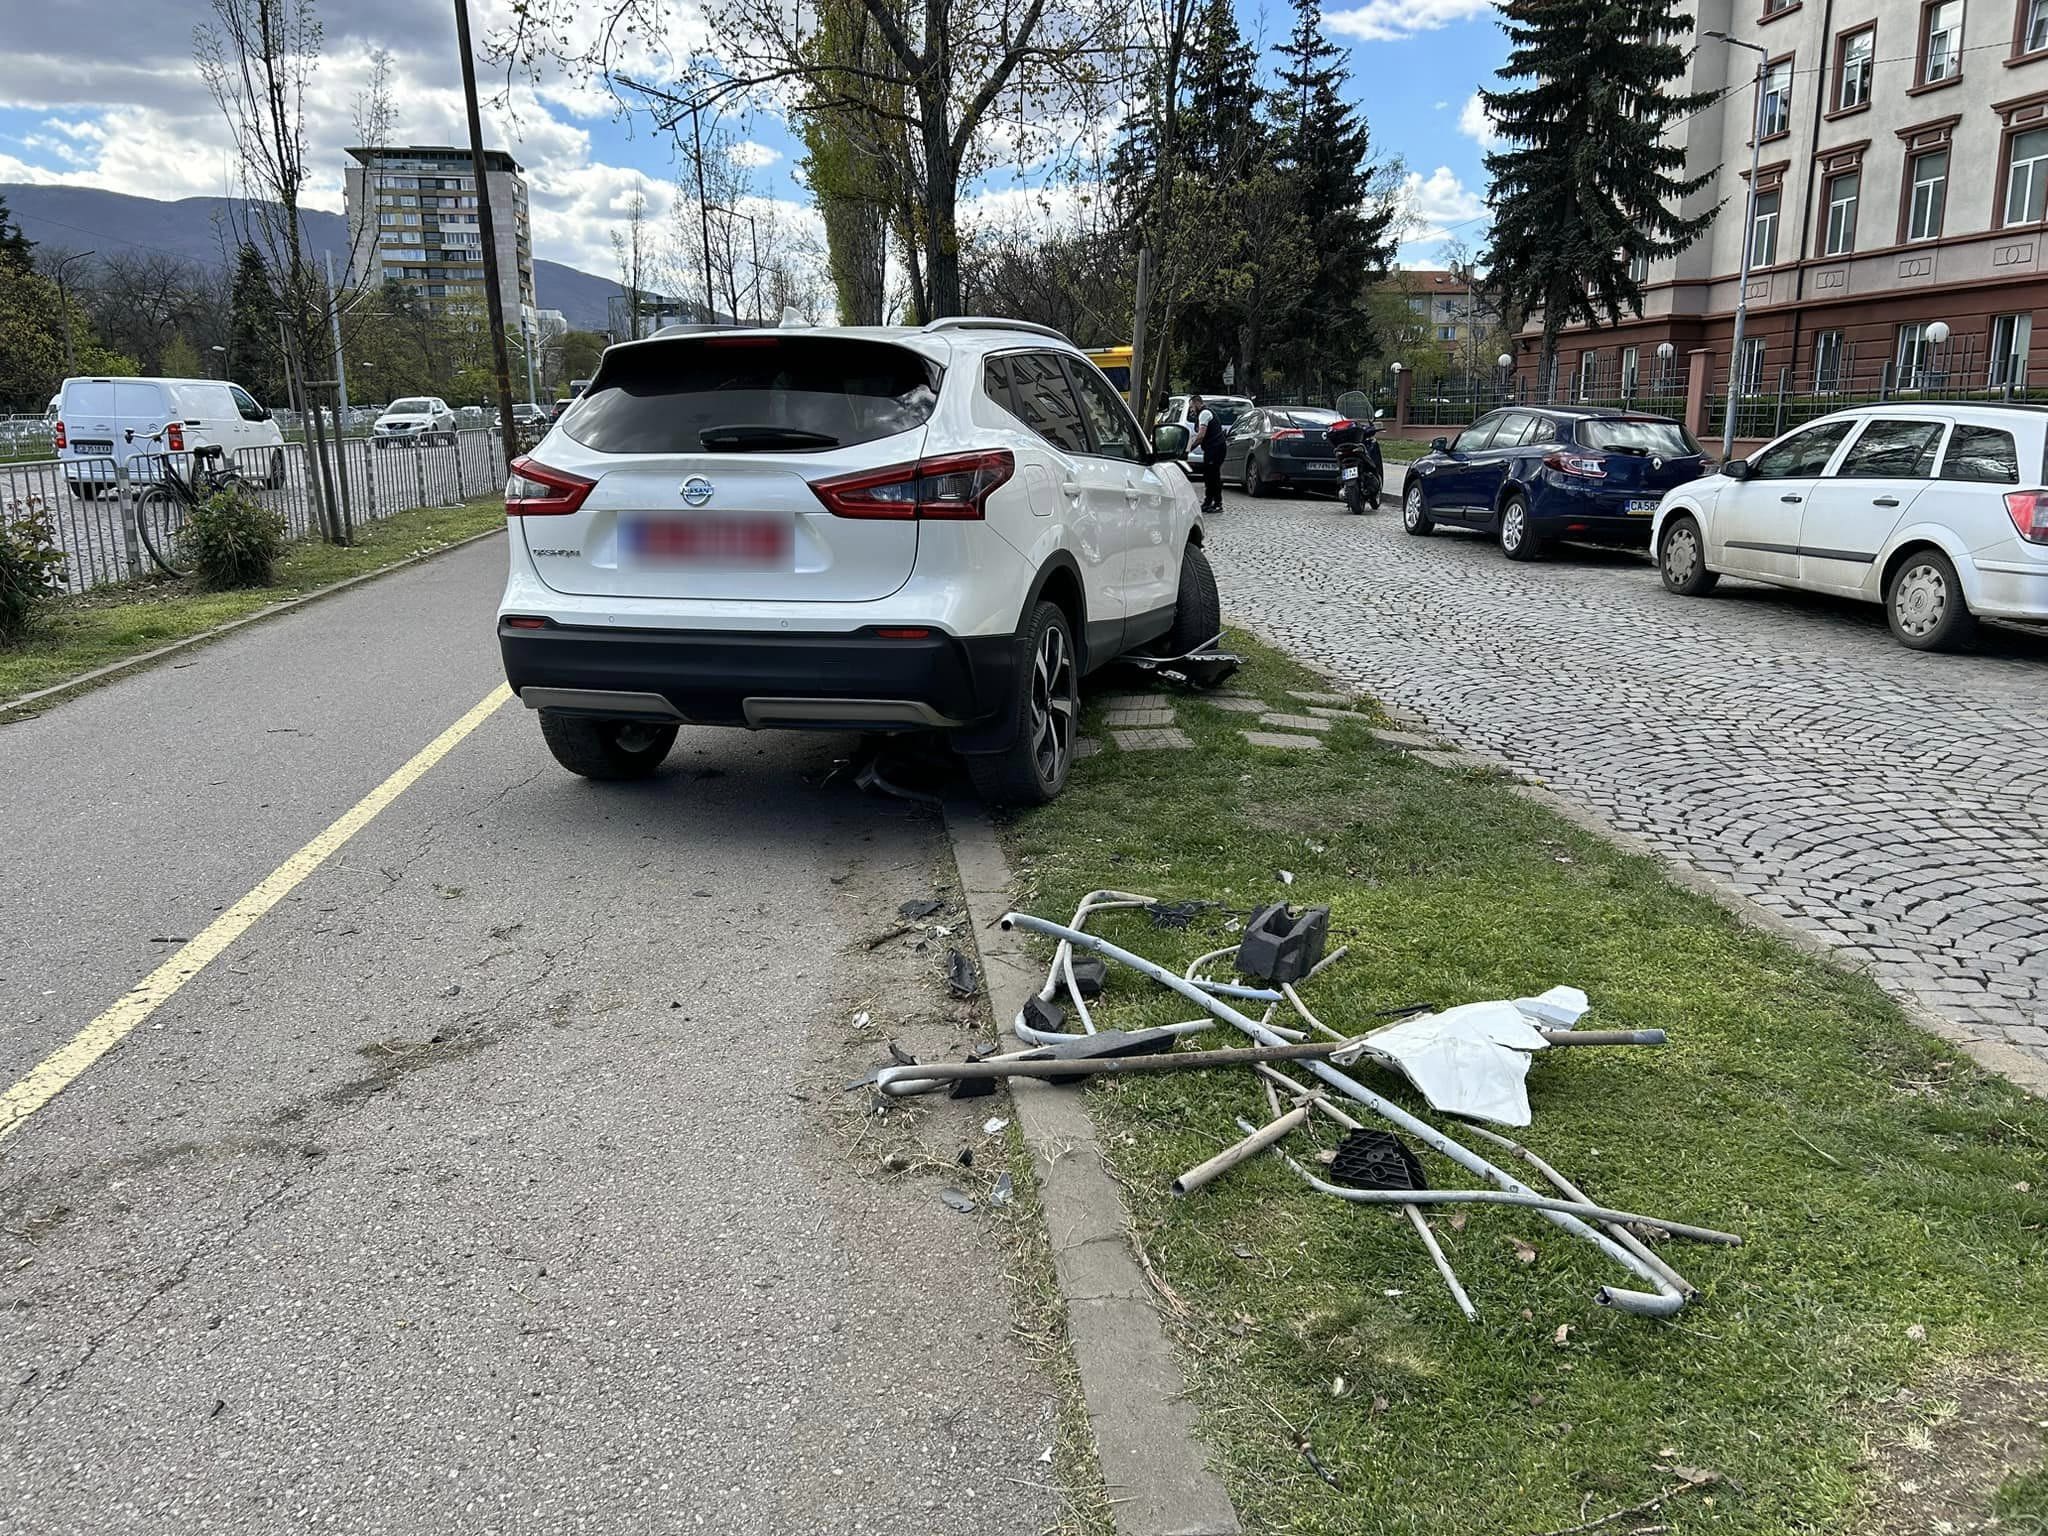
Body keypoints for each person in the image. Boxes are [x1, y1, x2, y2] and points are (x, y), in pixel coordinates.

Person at [1189, 394, 1225, 515]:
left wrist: (1189, 448)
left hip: (1215, 449)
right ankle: (1208, 502)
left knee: (1213, 476)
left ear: (1197, 403)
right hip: (1213, 448)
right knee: (1209, 475)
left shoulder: (1204, 414)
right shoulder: (1204, 413)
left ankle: (1217, 503)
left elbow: (1201, 436)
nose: (1191, 410)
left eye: (1192, 407)